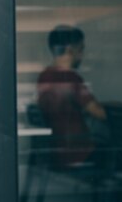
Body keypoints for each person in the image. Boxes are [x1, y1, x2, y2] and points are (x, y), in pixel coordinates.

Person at [37, 25, 105, 167]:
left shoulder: (44, 76)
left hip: (58, 149)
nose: (81, 55)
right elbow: (100, 113)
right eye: (81, 49)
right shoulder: (70, 79)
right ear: (70, 50)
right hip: (79, 152)